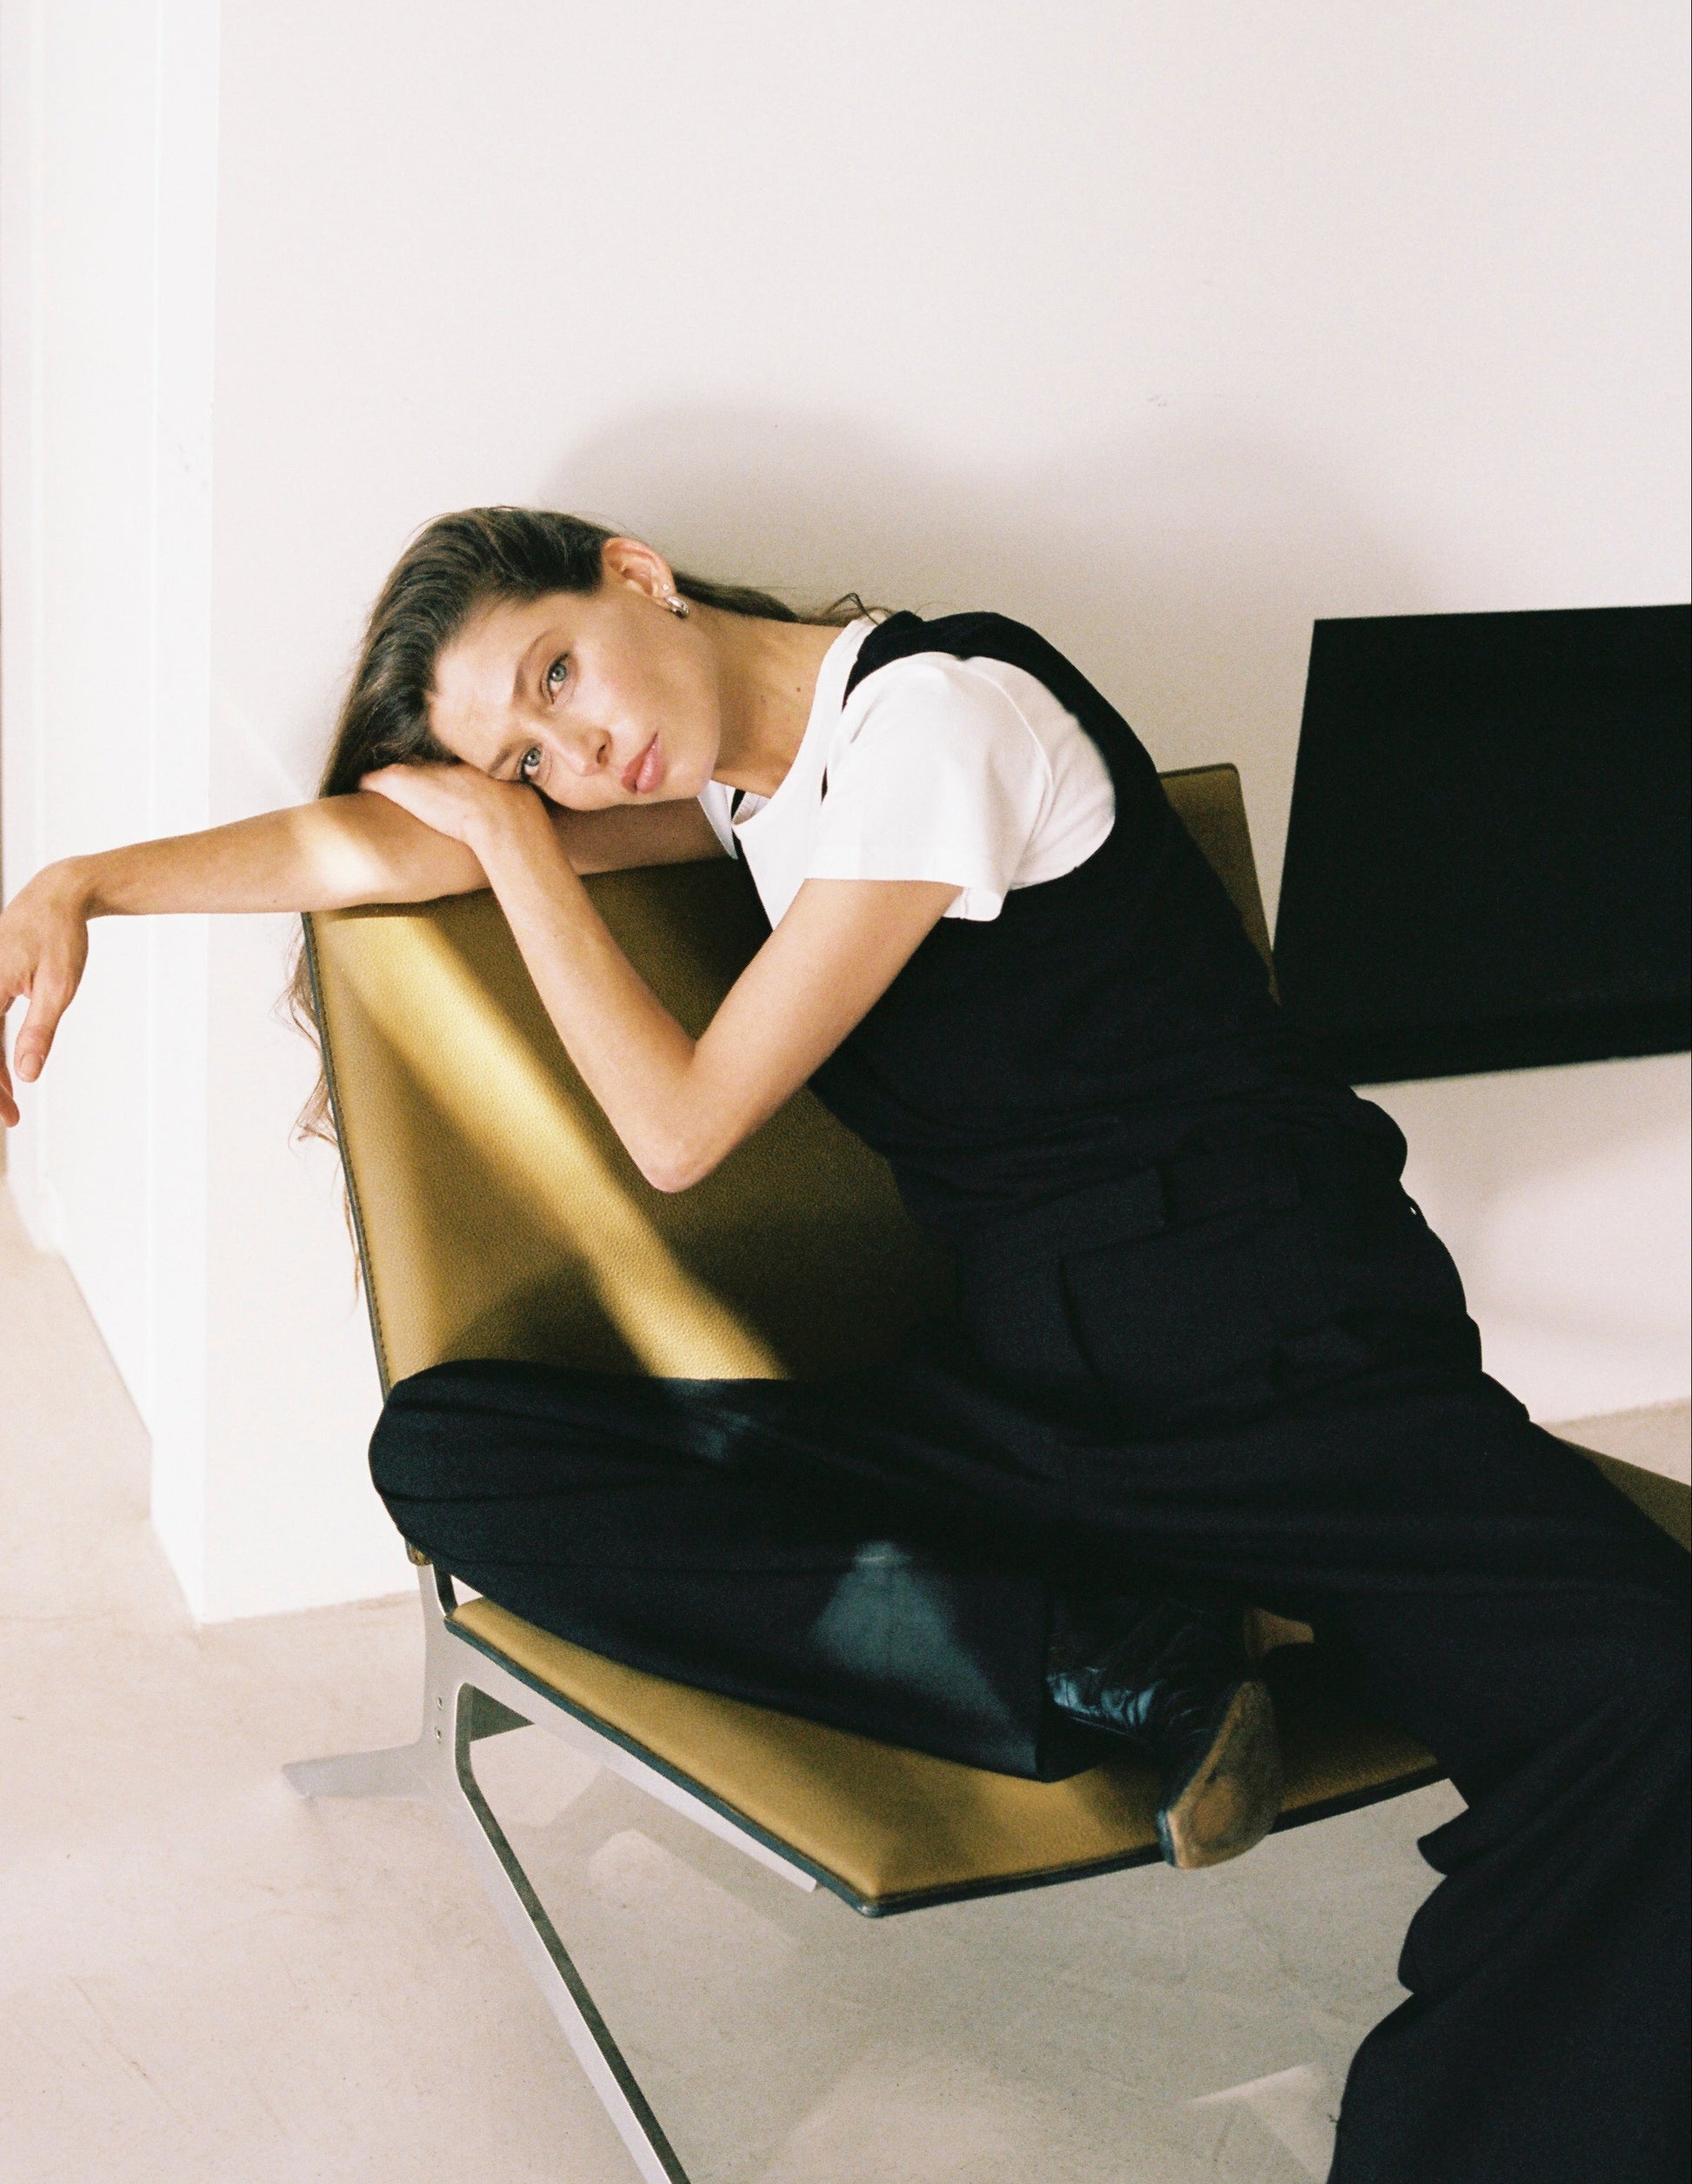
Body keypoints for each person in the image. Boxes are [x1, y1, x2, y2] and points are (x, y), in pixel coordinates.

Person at [0, 505, 1684, 2182]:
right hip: (1042, 1395)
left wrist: (517, 838)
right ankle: (1108, 1648)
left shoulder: (936, 719)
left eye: (556, 676)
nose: (575, 755)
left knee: (1650, 1702)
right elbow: (385, 850)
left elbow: (677, 1128)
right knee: (457, 1450)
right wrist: (83, 885)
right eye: (528, 757)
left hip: (1277, 1359)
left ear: (635, 571)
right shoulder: (748, 792)